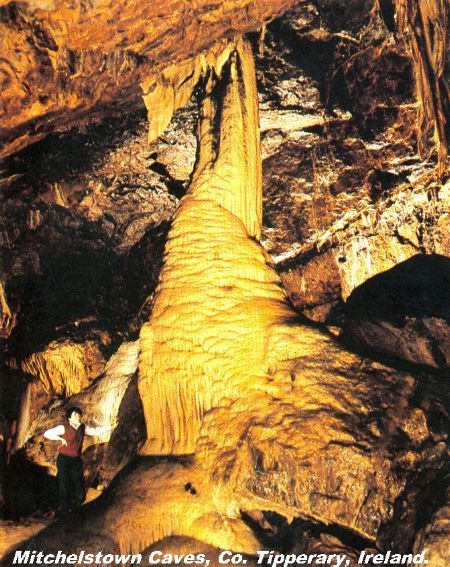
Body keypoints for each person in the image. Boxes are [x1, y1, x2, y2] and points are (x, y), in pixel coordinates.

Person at [43, 406, 111, 514]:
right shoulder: (64, 427)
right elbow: (47, 433)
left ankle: (77, 505)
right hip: (64, 459)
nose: (78, 416)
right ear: (70, 418)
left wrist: (109, 427)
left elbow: (95, 431)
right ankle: (63, 508)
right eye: (75, 414)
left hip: (76, 459)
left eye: (79, 414)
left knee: (78, 482)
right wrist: (60, 438)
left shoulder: (83, 427)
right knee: (63, 482)